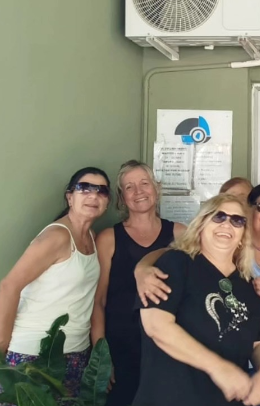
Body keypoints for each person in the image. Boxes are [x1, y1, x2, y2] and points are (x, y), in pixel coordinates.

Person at [136, 182, 260, 406]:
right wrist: (217, 368)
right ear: (201, 224)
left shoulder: (247, 282)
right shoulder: (175, 264)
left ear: (243, 234)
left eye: (237, 220)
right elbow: (156, 326)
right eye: (218, 217)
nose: (227, 224)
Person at [0, 167, 111, 401]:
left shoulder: (92, 238)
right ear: (69, 197)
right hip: (34, 356)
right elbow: (9, 286)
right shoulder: (57, 236)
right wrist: (0, 343)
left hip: (76, 353)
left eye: (102, 191)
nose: (93, 195)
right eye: (84, 188)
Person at [90, 160, 186, 406]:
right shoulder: (109, 238)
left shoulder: (181, 234)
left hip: (167, 350)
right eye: (129, 187)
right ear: (122, 197)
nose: (138, 191)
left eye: (144, 183)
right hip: (121, 351)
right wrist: (102, 359)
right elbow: (98, 302)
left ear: (156, 188)